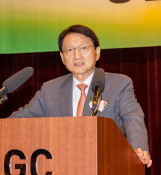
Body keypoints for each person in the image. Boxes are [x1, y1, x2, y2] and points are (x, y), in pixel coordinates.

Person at [10, 24, 152, 167]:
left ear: (97, 52)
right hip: (62, 168)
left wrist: (138, 150)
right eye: (70, 50)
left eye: (83, 48)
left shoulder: (119, 84)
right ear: (62, 57)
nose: (77, 56)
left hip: (107, 167)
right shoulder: (50, 90)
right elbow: (20, 120)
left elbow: (132, 118)